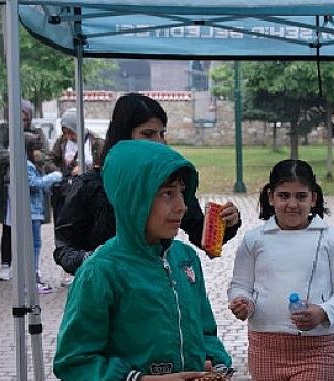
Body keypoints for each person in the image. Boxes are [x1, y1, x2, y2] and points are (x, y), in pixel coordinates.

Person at [53, 140, 231, 381]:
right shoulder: (101, 271)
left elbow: (205, 332)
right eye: (166, 193)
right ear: (132, 198)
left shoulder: (186, 259)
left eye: (182, 192)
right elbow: (73, 361)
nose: (181, 206)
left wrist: (216, 367)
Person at [53, 93, 241, 277]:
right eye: (148, 134)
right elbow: (64, 248)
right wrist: (99, 263)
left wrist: (225, 223)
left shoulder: (171, 182)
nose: (158, 143)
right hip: (106, 295)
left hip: (157, 290)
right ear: (123, 135)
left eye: (162, 134)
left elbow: (201, 234)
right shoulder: (90, 186)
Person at [228, 159, 334, 381]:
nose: (292, 204)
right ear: (270, 197)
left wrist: (323, 311)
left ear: (313, 199)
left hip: (316, 350)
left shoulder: (331, 239)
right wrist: (242, 301)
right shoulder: (254, 240)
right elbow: (240, 284)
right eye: (283, 195)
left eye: (301, 196)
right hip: (264, 348)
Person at [0, 100, 53, 282]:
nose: (22, 120)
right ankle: (6, 264)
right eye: (19, 116)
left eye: (25, 117)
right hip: (9, 186)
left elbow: (44, 154)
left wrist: (34, 155)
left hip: (32, 186)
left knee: (33, 229)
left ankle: (33, 267)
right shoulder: (6, 129)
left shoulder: (37, 132)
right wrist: (17, 154)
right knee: (9, 226)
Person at [50, 108, 105, 223]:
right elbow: (49, 160)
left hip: (89, 193)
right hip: (67, 193)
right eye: (65, 133)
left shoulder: (96, 142)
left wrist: (86, 170)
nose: (69, 136)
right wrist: (60, 173)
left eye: (71, 132)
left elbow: (104, 166)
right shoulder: (61, 142)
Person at [24, 137, 63, 293]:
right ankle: (32, 279)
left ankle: (34, 276)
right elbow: (33, 183)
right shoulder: (27, 165)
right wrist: (53, 177)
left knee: (36, 245)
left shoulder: (33, 165)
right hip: (31, 212)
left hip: (36, 211)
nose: (39, 153)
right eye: (37, 149)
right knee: (34, 245)